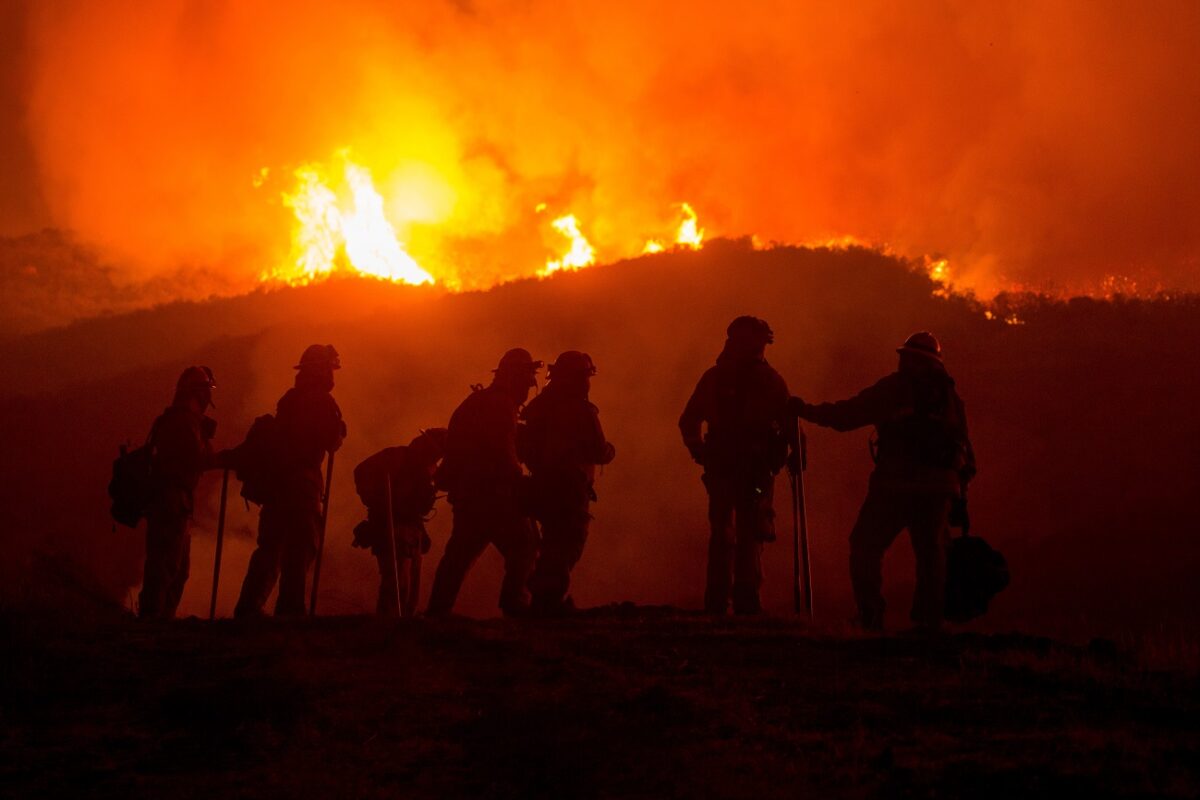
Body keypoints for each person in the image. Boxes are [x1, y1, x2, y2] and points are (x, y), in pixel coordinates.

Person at [790, 331, 975, 633]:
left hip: (895, 486)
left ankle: (871, 616)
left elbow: (846, 416)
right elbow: (966, 449)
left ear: (911, 359)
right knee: (931, 555)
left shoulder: (895, 388)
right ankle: (928, 623)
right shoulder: (950, 398)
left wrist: (805, 411)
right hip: (940, 489)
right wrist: (959, 494)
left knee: (865, 545)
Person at [680, 316, 795, 615]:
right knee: (749, 533)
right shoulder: (769, 380)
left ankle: (718, 602)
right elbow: (787, 424)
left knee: (724, 532)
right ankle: (745, 601)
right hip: (752, 468)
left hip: (726, 467)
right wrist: (788, 455)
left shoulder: (715, 378)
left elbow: (689, 420)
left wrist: (700, 451)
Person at [426, 348, 542, 617]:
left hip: (468, 496)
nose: (529, 387)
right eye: (527, 380)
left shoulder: (475, 402)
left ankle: (437, 611)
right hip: (495, 496)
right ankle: (515, 603)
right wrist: (520, 481)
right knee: (524, 546)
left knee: (459, 555)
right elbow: (502, 451)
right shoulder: (501, 406)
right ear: (515, 377)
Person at [234, 344, 346, 618]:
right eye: (330, 369)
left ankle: (248, 608)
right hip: (302, 487)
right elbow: (331, 440)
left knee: (270, 548)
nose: (332, 375)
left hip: (277, 486)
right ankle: (290, 611)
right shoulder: (321, 401)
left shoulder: (290, 399)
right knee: (300, 548)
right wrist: (340, 430)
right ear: (321, 370)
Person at [519, 351, 616, 616]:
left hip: (541, 485)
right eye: (585, 376)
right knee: (566, 544)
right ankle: (547, 604)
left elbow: (524, 445)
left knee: (552, 542)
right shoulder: (581, 410)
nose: (587, 382)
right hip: (569, 489)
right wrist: (611, 451)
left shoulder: (539, 406)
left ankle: (541, 599)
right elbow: (598, 450)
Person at [138, 366, 223, 619]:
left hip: (174, 501)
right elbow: (199, 458)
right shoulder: (184, 422)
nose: (208, 397)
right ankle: (152, 621)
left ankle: (160, 620)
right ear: (197, 392)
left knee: (176, 569)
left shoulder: (177, 419)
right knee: (165, 566)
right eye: (205, 390)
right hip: (171, 501)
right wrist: (221, 452)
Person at [351, 428, 448, 617]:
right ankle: (387, 623)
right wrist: (377, 500)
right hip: (391, 524)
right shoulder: (397, 456)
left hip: (412, 528)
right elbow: (361, 472)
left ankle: (403, 625)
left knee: (411, 590)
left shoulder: (428, 468)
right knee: (397, 582)